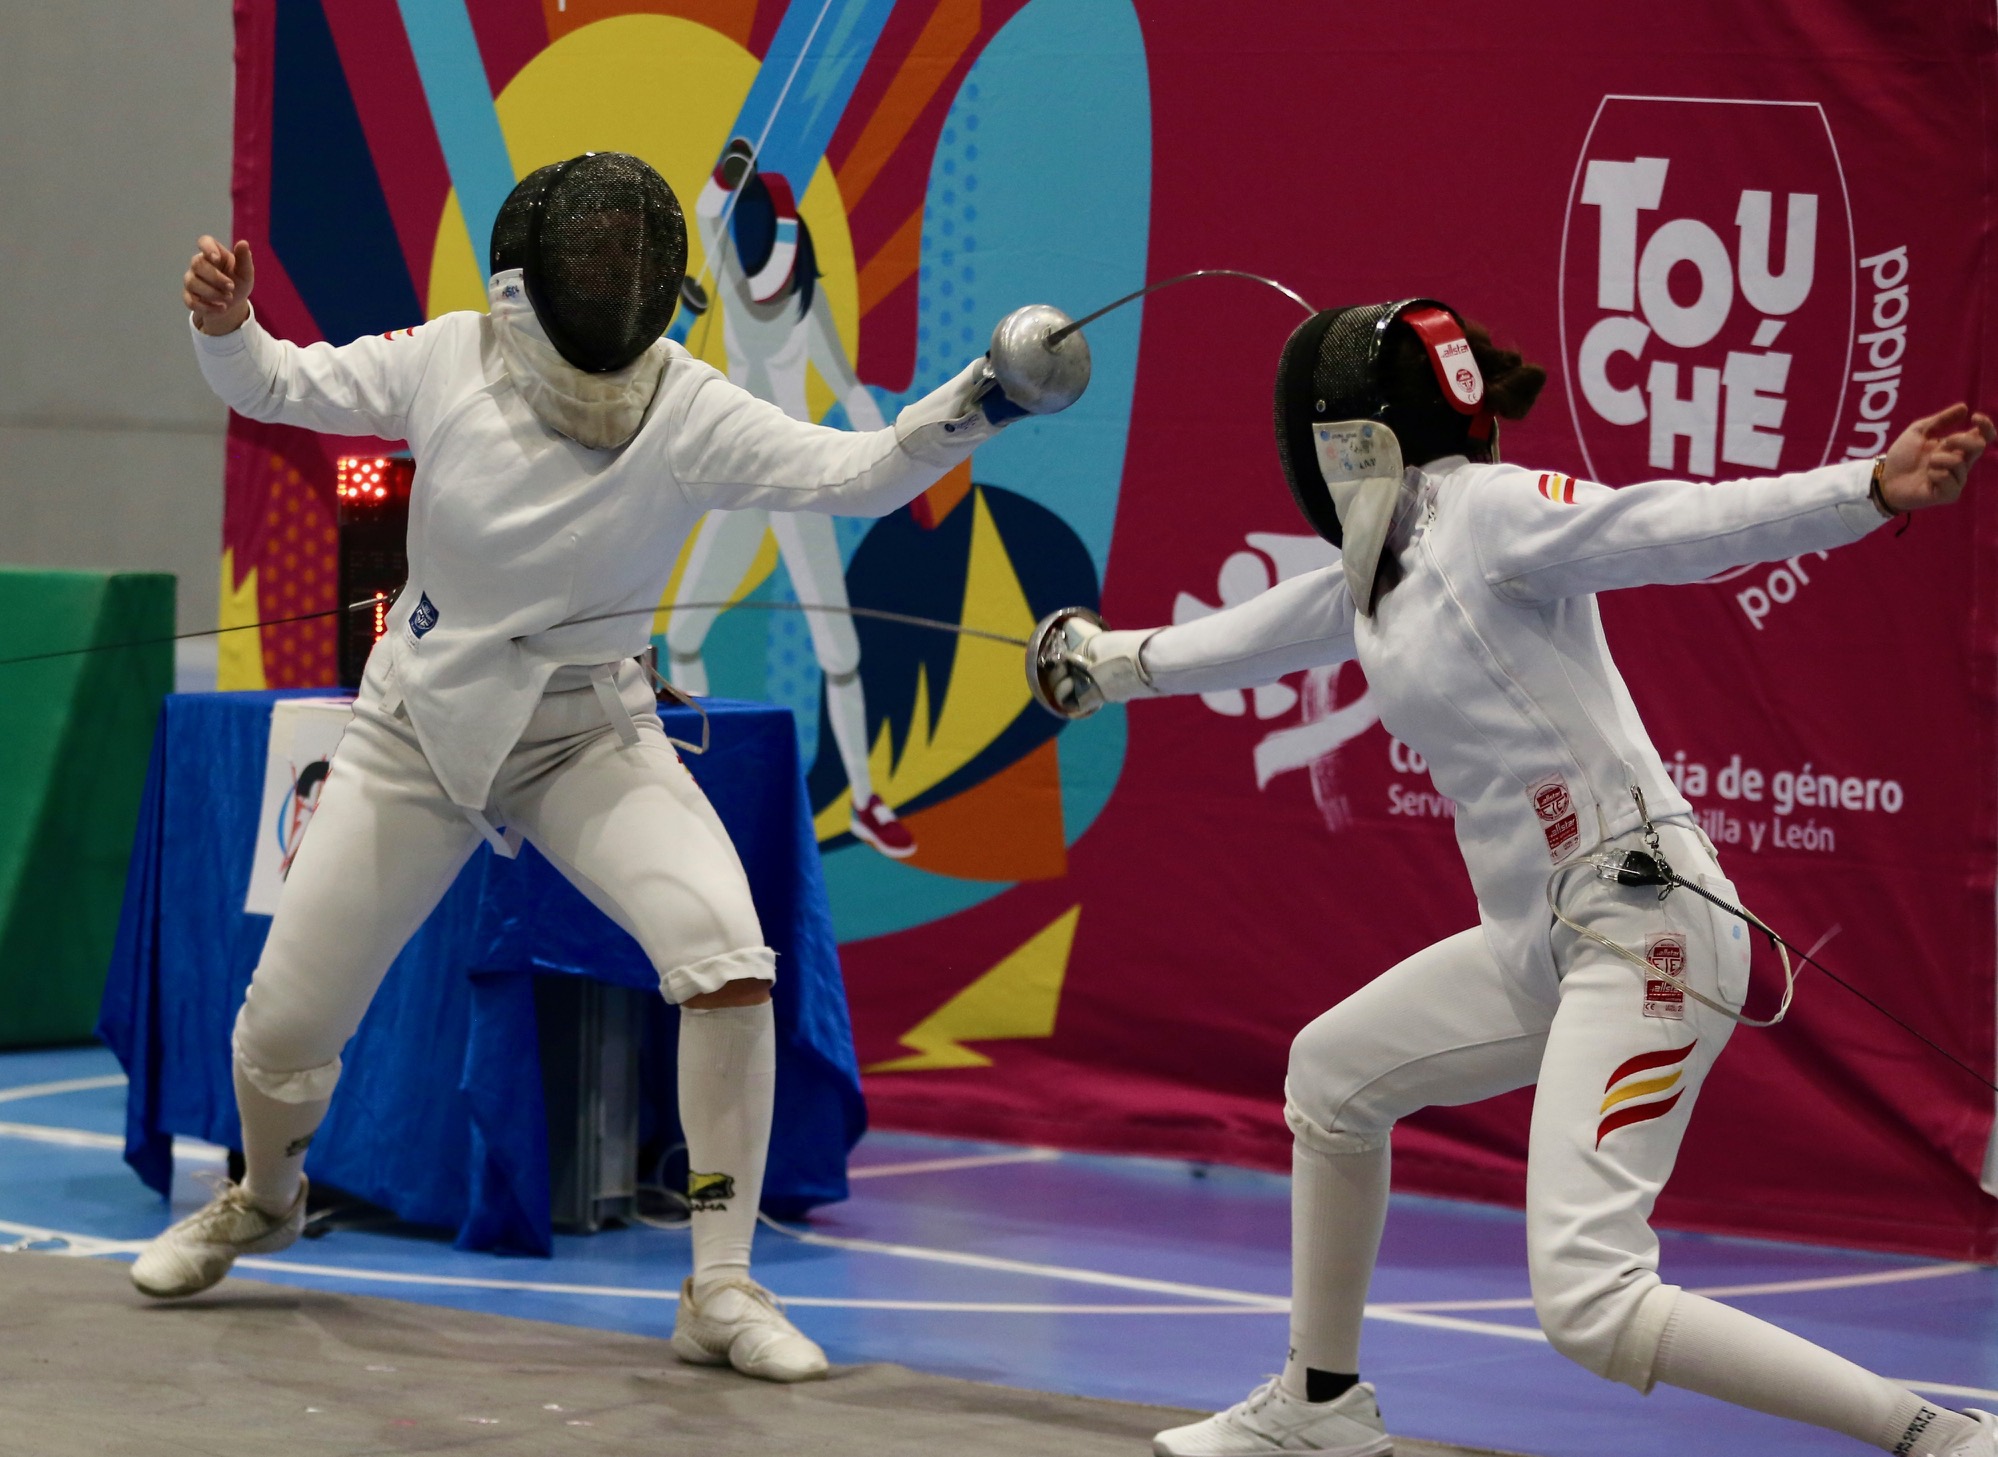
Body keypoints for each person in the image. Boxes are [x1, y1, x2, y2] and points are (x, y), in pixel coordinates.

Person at [136, 152, 1063, 1384]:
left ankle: (721, 1284)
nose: (608, 282)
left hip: (589, 732)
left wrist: (985, 396)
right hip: (418, 729)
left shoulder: (685, 401)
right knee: (285, 1026)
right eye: (590, 262)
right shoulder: (449, 357)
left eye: (625, 265)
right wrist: (227, 321)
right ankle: (264, 1195)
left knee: (726, 955)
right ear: (534, 274)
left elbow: (857, 475)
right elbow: (276, 381)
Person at [1028, 297, 1995, 1457]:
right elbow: (1259, 631)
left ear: (1348, 440)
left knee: (1588, 1297)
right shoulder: (1381, 568)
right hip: (1541, 940)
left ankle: (1939, 1432)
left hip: (1647, 931)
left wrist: (1865, 489)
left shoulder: (1487, 513)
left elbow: (1670, 526)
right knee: (1331, 1076)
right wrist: (1106, 663)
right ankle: (1320, 1404)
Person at [663, 139, 915, 858]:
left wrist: (895, 456)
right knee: (681, 636)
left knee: (840, 649)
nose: (762, 290)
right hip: (743, 481)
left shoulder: (807, 303)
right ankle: (698, 779)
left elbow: (849, 388)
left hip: (799, 482)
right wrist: (724, 172)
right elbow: (711, 211)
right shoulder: (734, 288)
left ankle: (866, 799)